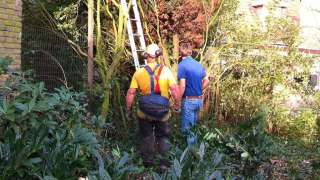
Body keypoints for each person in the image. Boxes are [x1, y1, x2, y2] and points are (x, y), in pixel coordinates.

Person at [125, 44, 180, 169]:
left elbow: (131, 93)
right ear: (158, 55)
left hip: (144, 111)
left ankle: (148, 164)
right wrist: (177, 104)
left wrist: (128, 109)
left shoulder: (139, 72)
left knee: (146, 136)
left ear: (145, 56)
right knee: (163, 136)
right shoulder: (166, 71)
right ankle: (164, 164)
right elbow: (175, 89)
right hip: (163, 112)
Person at [177, 42, 209, 146]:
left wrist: (177, 101)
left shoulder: (182, 65)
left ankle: (190, 156)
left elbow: (182, 86)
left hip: (189, 100)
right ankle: (195, 153)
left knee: (188, 130)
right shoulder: (198, 64)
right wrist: (199, 89)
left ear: (181, 52)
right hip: (199, 100)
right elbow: (207, 81)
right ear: (190, 52)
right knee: (193, 128)